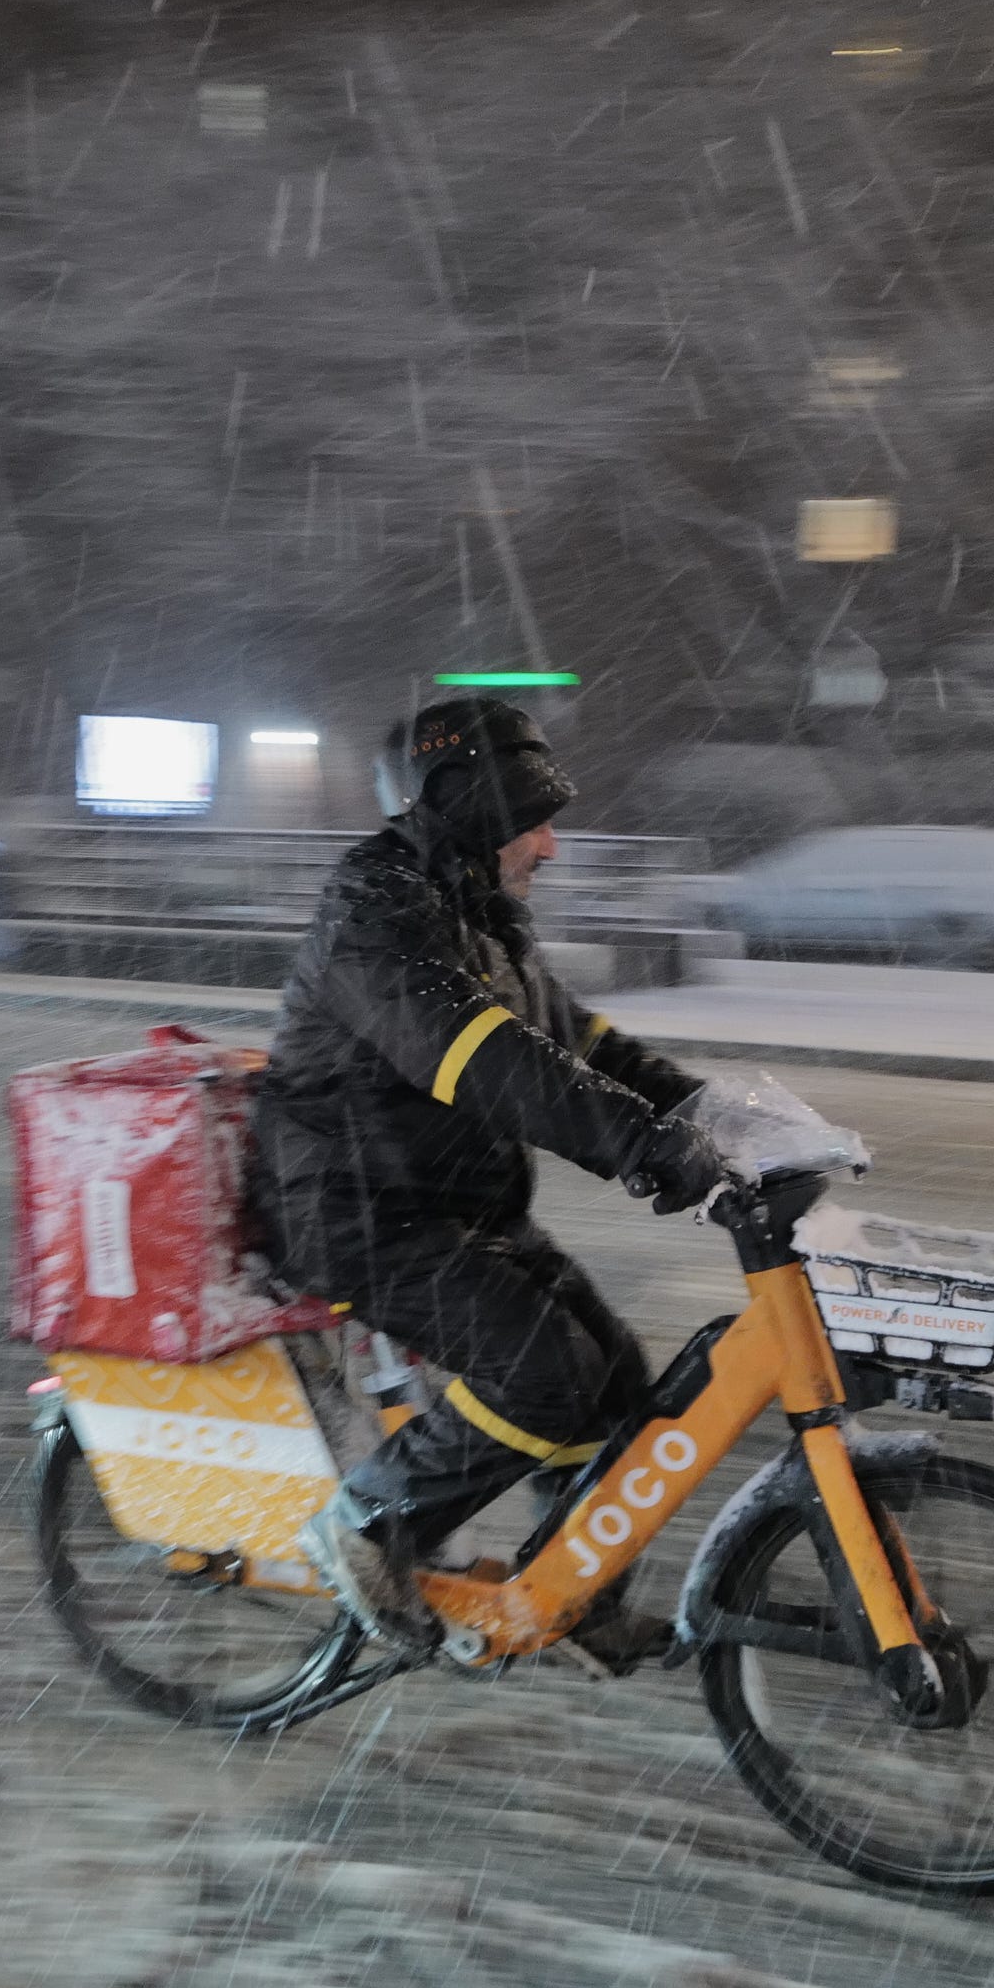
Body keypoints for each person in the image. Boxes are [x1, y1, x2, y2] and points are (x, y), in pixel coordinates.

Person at [259, 699, 731, 1660]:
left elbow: (575, 1040)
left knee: (616, 1384)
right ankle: (364, 1524)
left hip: (456, 1205)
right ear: (466, 810)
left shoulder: (479, 915)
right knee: (544, 1373)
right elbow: (484, 1059)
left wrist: (706, 1115)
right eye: (532, 818)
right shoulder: (376, 914)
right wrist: (640, 1147)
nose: (551, 845)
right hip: (361, 1213)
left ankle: (572, 1594)